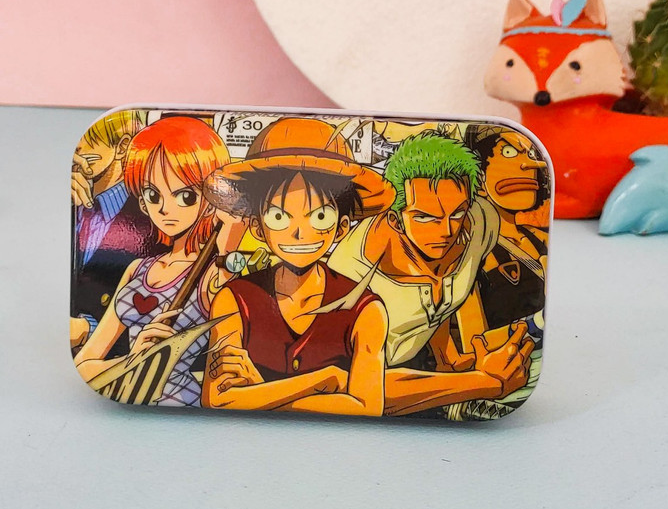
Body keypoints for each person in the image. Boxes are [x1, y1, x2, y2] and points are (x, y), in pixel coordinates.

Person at [327, 131, 534, 416]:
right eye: (425, 217)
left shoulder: (481, 220)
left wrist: (448, 357)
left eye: (457, 213)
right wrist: (486, 383)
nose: (446, 231)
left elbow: (450, 289)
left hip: (426, 369)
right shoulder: (347, 279)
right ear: (395, 219)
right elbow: (355, 390)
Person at [201, 118, 393, 416]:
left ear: (342, 227)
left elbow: (367, 407)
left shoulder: (365, 309)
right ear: (257, 227)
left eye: (319, 217)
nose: (299, 233)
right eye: (279, 217)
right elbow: (217, 399)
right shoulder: (234, 299)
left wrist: (259, 390)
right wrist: (324, 380)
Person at [74, 116, 246, 407]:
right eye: (153, 195)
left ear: (211, 199)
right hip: (131, 401)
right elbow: (86, 364)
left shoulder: (212, 273)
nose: (165, 209)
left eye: (185, 196)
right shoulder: (137, 270)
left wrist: (227, 250)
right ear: (142, 200)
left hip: (184, 402)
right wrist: (133, 360)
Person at [70, 110, 166, 355]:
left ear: (122, 147)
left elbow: (158, 320)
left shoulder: (156, 218)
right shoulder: (72, 202)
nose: (77, 151)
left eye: (89, 141)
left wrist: (87, 329)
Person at [464, 125, 548, 341]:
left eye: (530, 155)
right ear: (479, 179)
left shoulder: (542, 239)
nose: (526, 165)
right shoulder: (469, 254)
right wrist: (536, 324)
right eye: (508, 152)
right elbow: (474, 344)